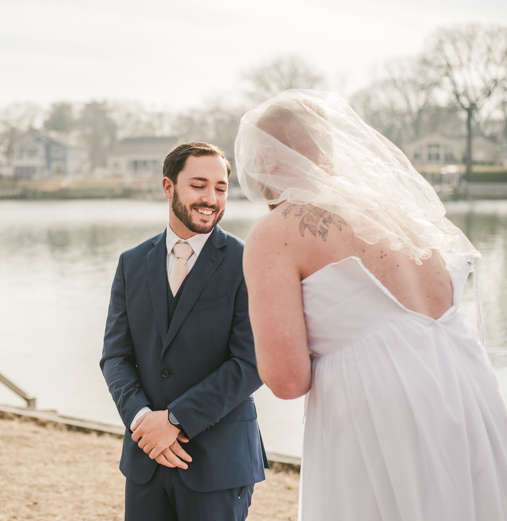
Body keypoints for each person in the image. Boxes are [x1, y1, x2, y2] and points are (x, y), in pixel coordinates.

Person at [237, 89, 507, 520]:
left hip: (384, 412)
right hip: (469, 391)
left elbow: (287, 380)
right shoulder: (401, 213)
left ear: (269, 160)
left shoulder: (276, 233)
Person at [100, 142, 267, 521]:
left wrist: (174, 420)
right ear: (168, 187)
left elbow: (252, 362)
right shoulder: (132, 263)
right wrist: (143, 420)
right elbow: (116, 356)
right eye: (198, 185)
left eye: (221, 188)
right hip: (145, 461)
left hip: (219, 463)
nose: (211, 198)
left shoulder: (248, 262)